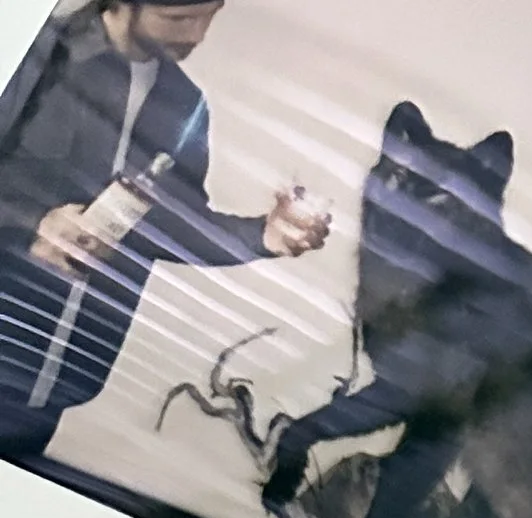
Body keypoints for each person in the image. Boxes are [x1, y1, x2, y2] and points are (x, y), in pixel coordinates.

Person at [0, 1, 329, 466]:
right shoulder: (34, 51)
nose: (198, 36)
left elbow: (171, 228)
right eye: (180, 19)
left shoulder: (185, 104)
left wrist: (264, 236)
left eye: (210, 15)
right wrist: (33, 222)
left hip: (60, 384)